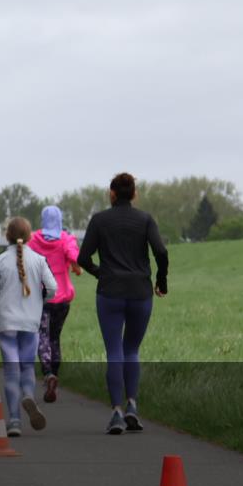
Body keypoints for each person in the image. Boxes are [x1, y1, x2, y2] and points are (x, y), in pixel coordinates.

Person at [77, 172, 169, 435]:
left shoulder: (99, 220)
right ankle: (132, 406)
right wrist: (161, 281)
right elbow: (161, 252)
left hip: (110, 292)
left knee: (114, 350)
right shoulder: (145, 220)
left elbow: (83, 258)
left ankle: (116, 411)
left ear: (112, 193)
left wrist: (99, 272)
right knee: (132, 350)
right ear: (135, 194)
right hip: (140, 292)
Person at [0, 217, 57, 437]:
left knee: (11, 373)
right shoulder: (39, 259)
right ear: (29, 236)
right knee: (27, 367)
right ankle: (28, 394)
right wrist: (39, 300)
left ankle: (15, 420)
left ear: (6, 235)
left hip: (7, 323)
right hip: (31, 322)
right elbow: (53, 288)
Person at [28, 205, 83, 402]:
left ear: (43, 221)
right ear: (60, 221)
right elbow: (74, 256)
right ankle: (55, 378)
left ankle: (48, 373)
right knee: (54, 337)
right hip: (62, 298)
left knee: (41, 336)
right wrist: (76, 265)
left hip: (41, 298)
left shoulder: (33, 240)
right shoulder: (66, 239)